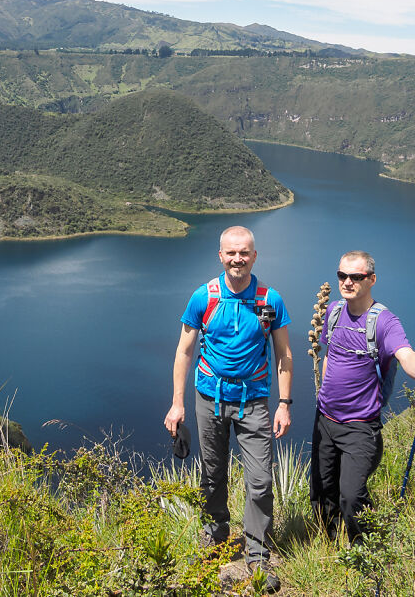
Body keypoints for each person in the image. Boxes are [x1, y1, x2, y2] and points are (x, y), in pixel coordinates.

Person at [164, 226, 293, 592]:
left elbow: (284, 354)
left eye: (245, 252)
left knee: (260, 480)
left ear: (255, 256)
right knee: (212, 474)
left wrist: (284, 403)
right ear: (220, 256)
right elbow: (184, 351)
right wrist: (177, 403)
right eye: (231, 253)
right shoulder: (204, 297)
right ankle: (216, 536)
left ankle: (257, 552)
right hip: (209, 399)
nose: (238, 258)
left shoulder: (270, 300)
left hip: (253, 402)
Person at [310, 250, 415, 544]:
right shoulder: (332, 312)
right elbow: (330, 355)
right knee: (321, 491)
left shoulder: (384, 322)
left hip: (360, 426)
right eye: (342, 276)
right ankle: (331, 545)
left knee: (352, 495)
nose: (347, 282)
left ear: (371, 279)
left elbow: (404, 354)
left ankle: (367, 548)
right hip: (325, 419)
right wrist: (324, 393)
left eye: (356, 277)